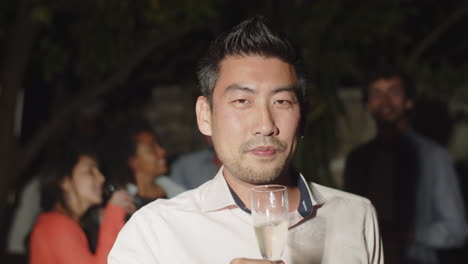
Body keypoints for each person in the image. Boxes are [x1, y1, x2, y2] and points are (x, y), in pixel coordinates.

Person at [109, 16, 383, 264]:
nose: (265, 125)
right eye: (242, 101)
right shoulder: (156, 231)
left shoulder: (355, 216)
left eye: (282, 101)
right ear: (205, 116)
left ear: (303, 115)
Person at [344, 66, 468, 264]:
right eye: (377, 93)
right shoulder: (357, 159)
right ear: (368, 105)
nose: (385, 101)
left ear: (409, 101)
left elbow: (456, 230)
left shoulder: (433, 157)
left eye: (393, 91)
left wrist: (404, 232)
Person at [29, 137, 135, 264]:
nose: (101, 178)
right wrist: (113, 214)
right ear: (64, 181)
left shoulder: (64, 223)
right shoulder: (57, 225)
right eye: (90, 171)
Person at [100, 118, 185, 209]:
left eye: (158, 145)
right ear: (133, 161)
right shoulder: (125, 205)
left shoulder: (175, 190)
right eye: (152, 149)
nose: (162, 151)